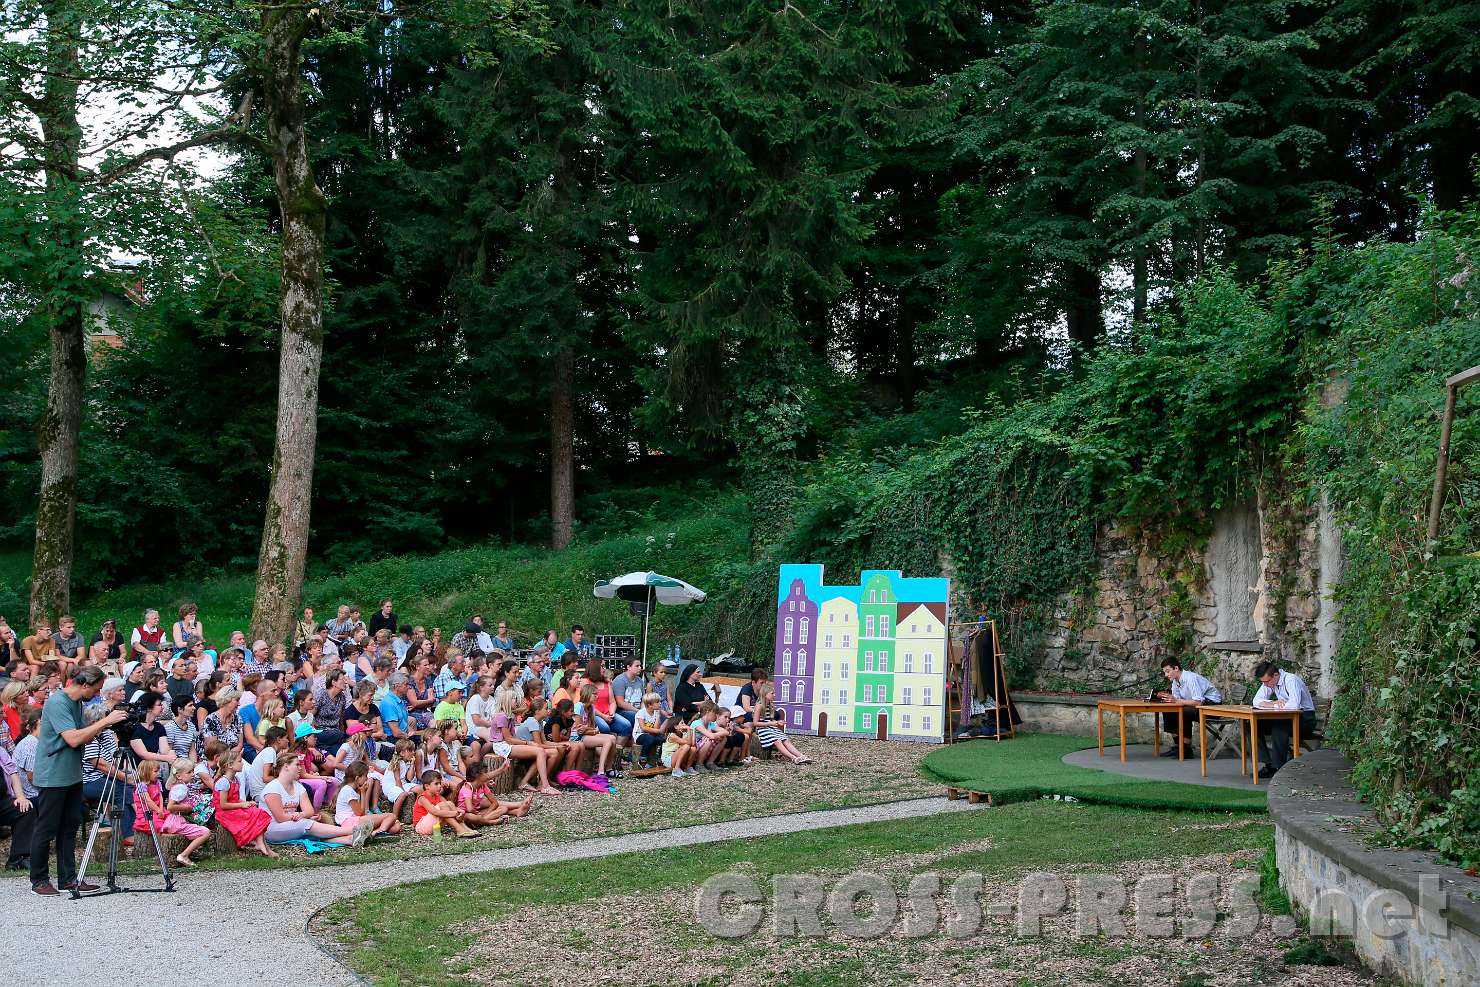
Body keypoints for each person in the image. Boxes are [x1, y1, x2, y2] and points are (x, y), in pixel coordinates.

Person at [29, 667, 127, 894]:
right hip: (53, 776)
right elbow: (73, 739)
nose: (97, 694)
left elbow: (83, 734)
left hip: (72, 774)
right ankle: (39, 880)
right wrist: (104, 722)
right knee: (47, 827)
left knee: (69, 827)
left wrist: (106, 724)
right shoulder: (58, 703)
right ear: (84, 684)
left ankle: (68, 879)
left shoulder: (76, 703)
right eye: (96, 689)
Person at [258, 753, 371, 847]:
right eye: (297, 765)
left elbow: (309, 811)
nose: (300, 768)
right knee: (306, 824)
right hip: (272, 829)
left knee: (312, 828)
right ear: (286, 766)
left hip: (292, 824)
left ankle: (350, 839)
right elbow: (280, 818)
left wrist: (302, 815)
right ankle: (353, 830)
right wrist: (301, 816)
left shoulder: (298, 786)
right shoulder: (273, 788)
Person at [140, 759, 213, 867]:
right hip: (177, 822)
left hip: (175, 821)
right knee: (205, 832)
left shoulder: (179, 786)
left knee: (197, 827)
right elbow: (170, 807)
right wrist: (187, 807)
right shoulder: (181, 788)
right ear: (178, 776)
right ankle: (184, 855)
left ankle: (191, 852)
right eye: (189, 772)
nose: (193, 774)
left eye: (192, 771)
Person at [1251, 660, 1316, 778]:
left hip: (1305, 719)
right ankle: (1269, 763)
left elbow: (1294, 705)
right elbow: (1256, 701)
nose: (1265, 685)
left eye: (1267, 681)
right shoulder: (1270, 681)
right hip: (1285, 718)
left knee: (1279, 726)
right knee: (1252, 724)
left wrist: (1271, 704)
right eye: (1263, 682)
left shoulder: (1291, 680)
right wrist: (1274, 703)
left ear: (1276, 675)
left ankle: (1278, 767)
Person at [210, 746, 276, 858]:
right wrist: (242, 804)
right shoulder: (223, 782)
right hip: (224, 813)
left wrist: (248, 803)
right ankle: (262, 845)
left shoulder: (236, 779)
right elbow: (223, 805)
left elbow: (235, 799)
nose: (242, 764)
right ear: (230, 765)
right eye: (240, 761)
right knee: (255, 814)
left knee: (258, 812)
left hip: (232, 808)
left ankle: (262, 844)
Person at [1153, 658, 1223, 755]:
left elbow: (1198, 702)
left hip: (1212, 707)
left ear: (1176, 668)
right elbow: (1176, 700)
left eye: (1168, 671)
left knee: (1183, 711)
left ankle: (1186, 749)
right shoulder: (1175, 681)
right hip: (1198, 706)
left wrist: (1176, 701)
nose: (1166, 675)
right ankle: (1179, 746)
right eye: (1165, 672)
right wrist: (1166, 697)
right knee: (1168, 709)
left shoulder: (1190, 678)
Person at [335, 761, 402, 838]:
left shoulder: (353, 790)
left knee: (396, 826)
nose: (367, 778)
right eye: (365, 776)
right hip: (348, 822)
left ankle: (372, 833)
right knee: (392, 816)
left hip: (355, 821)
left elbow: (361, 813)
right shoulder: (348, 790)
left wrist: (362, 792)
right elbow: (360, 813)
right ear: (357, 778)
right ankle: (377, 833)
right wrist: (363, 793)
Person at [1, 729, 35, 870]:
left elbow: (13, 773)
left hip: (2, 801)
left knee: (26, 809)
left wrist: (20, 797)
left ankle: (17, 859)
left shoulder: (1, 752)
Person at [457, 760, 531, 826]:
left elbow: (495, 803)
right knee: (472, 817)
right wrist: (478, 814)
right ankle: (490, 821)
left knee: (503, 808)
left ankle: (481, 821)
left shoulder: (482, 785)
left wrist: (486, 814)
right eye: (485, 773)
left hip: (477, 813)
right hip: (466, 814)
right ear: (477, 775)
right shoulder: (468, 787)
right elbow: (469, 809)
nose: (487, 775)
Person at [411, 770, 481, 838]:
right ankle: (459, 829)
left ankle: (464, 827)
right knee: (443, 805)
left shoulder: (438, 796)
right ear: (427, 786)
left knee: (449, 803)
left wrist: (460, 811)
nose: (440, 786)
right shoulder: (422, 798)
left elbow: (450, 806)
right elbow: (435, 812)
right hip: (421, 827)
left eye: (440, 783)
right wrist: (456, 813)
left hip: (435, 826)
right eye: (436, 784)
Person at [753, 684, 812, 764]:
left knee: (785, 739)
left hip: (770, 727)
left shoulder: (770, 704)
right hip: (762, 729)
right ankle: (793, 758)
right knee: (777, 740)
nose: (774, 695)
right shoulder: (759, 705)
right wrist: (772, 723)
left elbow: (770, 719)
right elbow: (755, 723)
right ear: (765, 694)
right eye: (772, 693)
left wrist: (777, 723)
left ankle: (801, 756)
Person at [129, 692, 175, 774]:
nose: (162, 707)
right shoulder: (135, 727)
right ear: (149, 708)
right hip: (137, 770)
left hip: (152, 769)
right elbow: (143, 754)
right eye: (159, 705)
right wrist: (166, 758)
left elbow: (164, 749)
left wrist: (171, 753)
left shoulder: (159, 727)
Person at [163, 695, 202, 762]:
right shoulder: (170, 727)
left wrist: (194, 764)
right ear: (180, 709)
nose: (194, 708)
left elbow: (192, 750)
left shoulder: (191, 726)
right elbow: (169, 752)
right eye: (190, 705)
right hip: (175, 764)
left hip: (188, 763)